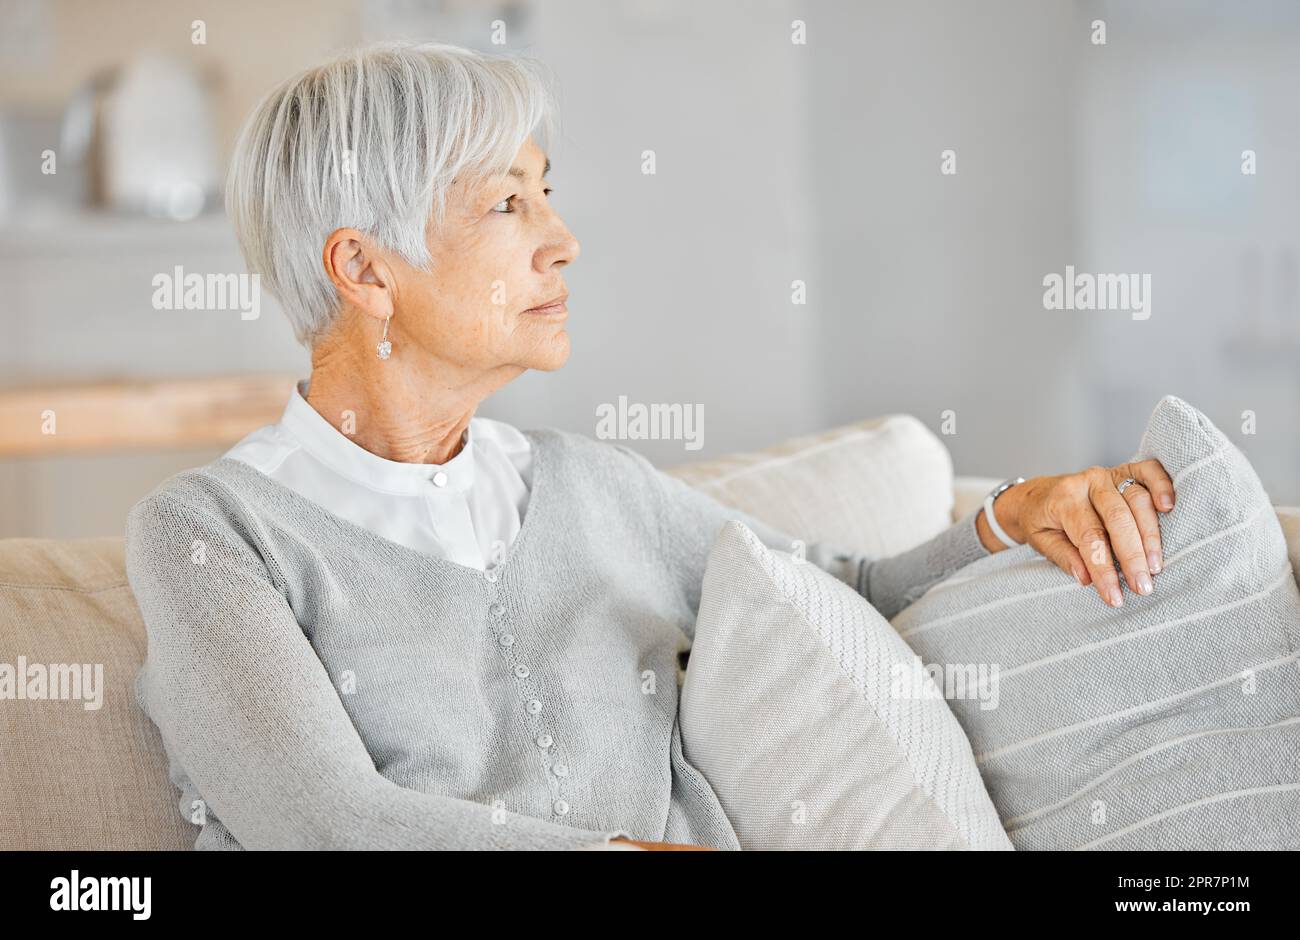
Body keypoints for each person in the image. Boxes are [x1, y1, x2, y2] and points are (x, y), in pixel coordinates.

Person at [125, 41, 1176, 851]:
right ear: (363, 269)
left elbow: (836, 594)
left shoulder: (590, 485)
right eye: (506, 201)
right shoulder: (213, 533)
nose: (561, 236)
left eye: (548, 190)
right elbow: (323, 825)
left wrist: (1010, 517)